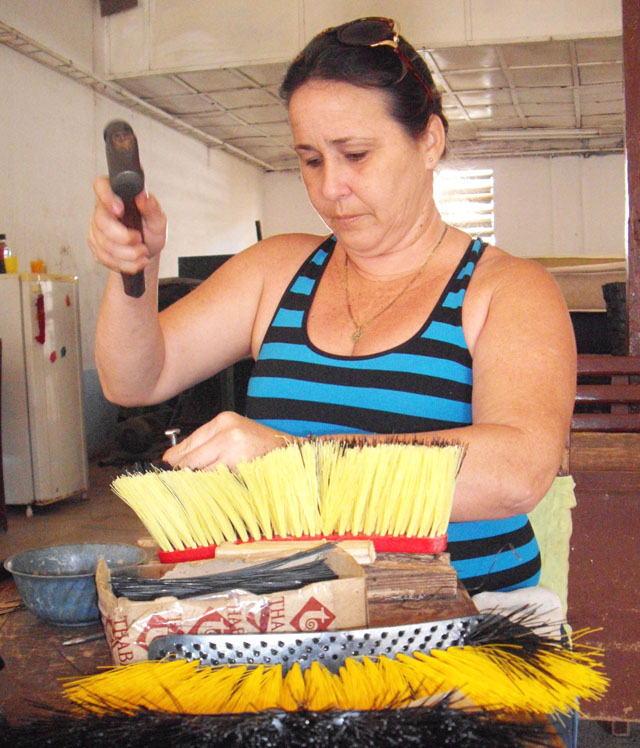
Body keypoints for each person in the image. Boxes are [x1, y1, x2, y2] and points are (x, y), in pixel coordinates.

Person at [88, 17, 576, 596]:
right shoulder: (277, 272)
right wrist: (132, 270)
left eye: (356, 154)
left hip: (467, 630)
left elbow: (517, 471)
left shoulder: (507, 290)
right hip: (293, 620)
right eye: (312, 160)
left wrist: (292, 462)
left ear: (430, 141)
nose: (330, 188)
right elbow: (132, 379)